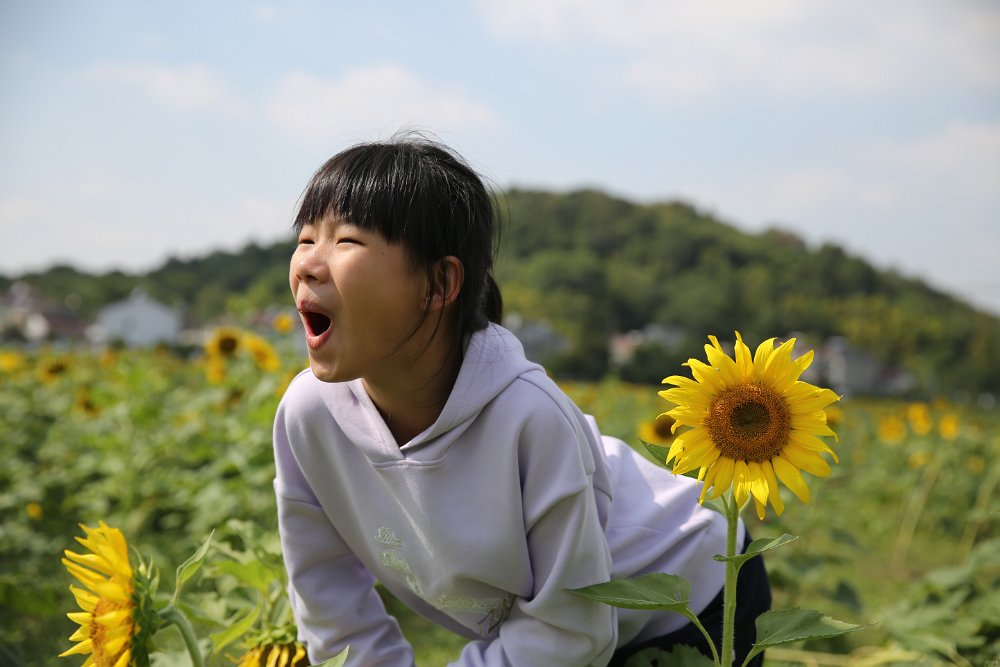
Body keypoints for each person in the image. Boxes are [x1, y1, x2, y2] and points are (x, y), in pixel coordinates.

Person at [272, 135, 770, 666]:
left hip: (691, 594)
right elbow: (326, 594)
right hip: (570, 625)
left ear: (439, 283)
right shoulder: (309, 415)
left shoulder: (528, 419)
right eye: (306, 238)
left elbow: (569, 631)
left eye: (347, 240)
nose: (308, 265)